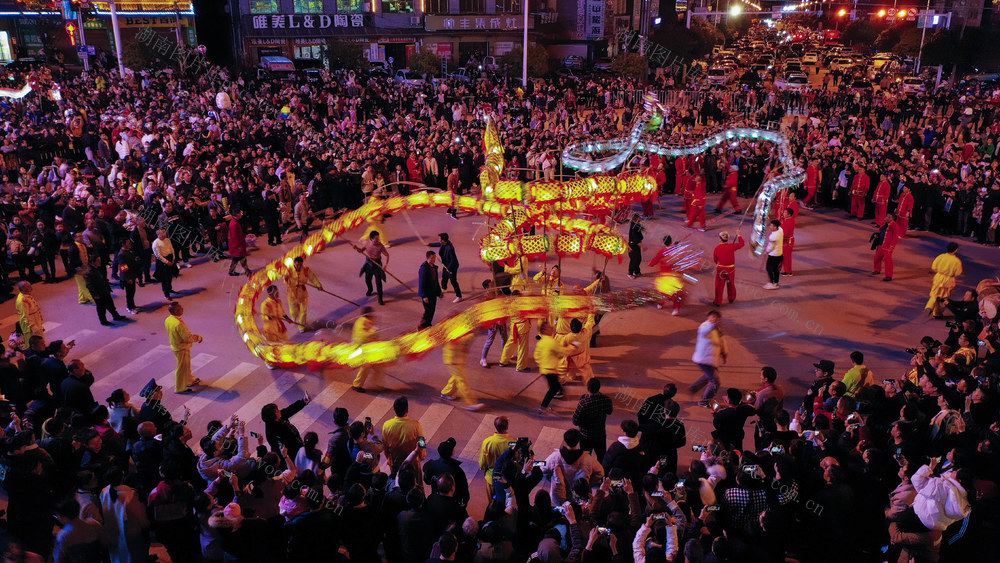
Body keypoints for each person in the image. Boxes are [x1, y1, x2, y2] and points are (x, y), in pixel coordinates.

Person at [535, 320, 578, 414]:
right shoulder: (552, 342)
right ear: (545, 330)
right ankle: (542, 407)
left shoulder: (541, 342)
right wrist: (573, 347)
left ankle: (558, 393)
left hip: (545, 370)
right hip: (551, 370)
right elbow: (563, 352)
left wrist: (542, 364)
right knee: (553, 389)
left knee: (556, 387)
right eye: (549, 327)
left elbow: (537, 356)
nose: (552, 328)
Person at [689, 310, 727, 407]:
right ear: (708, 317)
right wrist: (713, 325)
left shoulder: (718, 330)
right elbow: (705, 331)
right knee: (715, 382)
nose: (714, 319)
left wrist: (724, 353)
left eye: (716, 317)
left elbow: (722, 343)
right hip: (704, 359)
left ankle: (694, 388)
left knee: (709, 376)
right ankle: (703, 401)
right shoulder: (704, 326)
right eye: (712, 316)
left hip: (712, 360)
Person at [572, 378, 613, 462]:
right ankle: (600, 473)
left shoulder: (583, 403)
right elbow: (609, 412)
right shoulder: (606, 400)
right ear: (599, 388)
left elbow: (575, 421)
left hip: (586, 436)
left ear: (588, 388)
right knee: (601, 457)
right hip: (600, 434)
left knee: (585, 458)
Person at [165, 302, 203, 393]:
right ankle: (180, 388)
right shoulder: (178, 324)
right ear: (175, 310)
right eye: (180, 307)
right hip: (181, 347)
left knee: (186, 365)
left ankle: (189, 380)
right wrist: (198, 338)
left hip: (176, 345)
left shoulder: (168, 320)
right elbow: (187, 338)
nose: (182, 308)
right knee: (182, 368)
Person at [382, 396, 423, 477]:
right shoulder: (416, 425)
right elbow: (422, 442)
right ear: (407, 410)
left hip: (396, 462)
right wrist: (422, 455)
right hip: (412, 463)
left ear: (394, 410)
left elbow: (385, 446)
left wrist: (389, 459)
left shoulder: (387, 425)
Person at [440, 332, 483, 410]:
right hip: (453, 359)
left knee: (457, 377)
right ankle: (469, 403)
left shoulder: (465, 329)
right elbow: (456, 343)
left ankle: (446, 393)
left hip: (458, 358)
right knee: (462, 380)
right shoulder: (456, 330)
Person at [84, 255, 128, 326]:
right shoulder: (89, 272)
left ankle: (115, 316)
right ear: (93, 262)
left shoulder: (97, 269)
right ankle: (103, 320)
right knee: (101, 307)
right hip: (99, 292)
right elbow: (89, 285)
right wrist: (95, 294)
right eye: (98, 261)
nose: (100, 262)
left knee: (110, 304)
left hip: (104, 290)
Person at [478, 416, 513, 501]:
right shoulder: (513, 443)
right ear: (507, 426)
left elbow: (482, 464)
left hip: (491, 478)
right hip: (506, 479)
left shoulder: (487, 442)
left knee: (492, 505)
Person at [925, 242, 963, 318]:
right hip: (949, 280)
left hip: (939, 277)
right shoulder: (956, 261)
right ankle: (937, 313)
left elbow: (934, 267)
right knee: (944, 297)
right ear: (955, 250)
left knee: (934, 293)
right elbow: (958, 273)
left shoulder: (941, 257)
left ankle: (929, 306)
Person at [351, 306, 383, 392]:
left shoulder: (360, 321)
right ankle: (357, 385)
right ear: (369, 315)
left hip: (361, 348)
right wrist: (375, 330)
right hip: (362, 350)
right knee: (366, 367)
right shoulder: (367, 323)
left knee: (378, 364)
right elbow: (365, 338)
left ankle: (377, 383)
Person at [284, 256, 321, 331]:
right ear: (294, 263)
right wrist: (286, 279)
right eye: (297, 265)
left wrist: (318, 285)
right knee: (293, 311)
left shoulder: (306, 269)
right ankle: (294, 317)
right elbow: (285, 281)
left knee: (304, 310)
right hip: (292, 292)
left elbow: (313, 277)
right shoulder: (289, 270)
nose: (299, 266)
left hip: (302, 291)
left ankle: (302, 326)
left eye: (300, 265)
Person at [499, 291, 531, 372]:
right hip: (522, 327)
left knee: (510, 344)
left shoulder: (509, 304)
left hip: (513, 326)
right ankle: (521, 366)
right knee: (522, 347)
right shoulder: (521, 305)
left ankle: (503, 361)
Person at [712, 231, 745, 307]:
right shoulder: (732, 246)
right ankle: (731, 298)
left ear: (720, 238)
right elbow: (742, 244)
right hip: (730, 270)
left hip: (721, 270)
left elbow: (715, 260)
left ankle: (718, 302)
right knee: (731, 284)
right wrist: (739, 236)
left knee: (719, 286)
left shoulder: (717, 248)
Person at [358, 230, 389, 305]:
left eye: (378, 238)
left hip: (377, 264)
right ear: (371, 239)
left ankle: (380, 298)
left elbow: (387, 255)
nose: (378, 240)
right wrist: (357, 248)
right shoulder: (367, 243)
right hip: (369, 264)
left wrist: (385, 265)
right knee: (367, 279)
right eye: (376, 239)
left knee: (379, 283)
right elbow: (361, 251)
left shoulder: (380, 246)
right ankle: (370, 289)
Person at [261, 284, 291, 350]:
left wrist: (287, 319)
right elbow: (264, 317)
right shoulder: (265, 304)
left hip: (280, 328)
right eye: (275, 292)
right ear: (270, 294)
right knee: (274, 349)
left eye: (277, 292)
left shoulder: (279, 301)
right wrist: (270, 317)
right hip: (271, 330)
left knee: (286, 344)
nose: (277, 294)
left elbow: (282, 313)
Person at [113, 238, 139, 313]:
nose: (130, 244)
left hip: (132, 274)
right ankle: (130, 307)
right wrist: (128, 278)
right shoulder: (121, 254)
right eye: (128, 243)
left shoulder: (127, 252)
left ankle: (132, 305)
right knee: (129, 293)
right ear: (123, 244)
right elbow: (123, 267)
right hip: (127, 277)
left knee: (132, 291)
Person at [872, 213, 900, 282]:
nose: (887, 218)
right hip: (880, 245)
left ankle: (888, 276)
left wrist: (892, 247)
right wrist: (877, 235)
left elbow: (895, 238)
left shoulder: (895, 226)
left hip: (887, 247)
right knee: (877, 258)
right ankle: (877, 269)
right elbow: (880, 231)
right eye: (887, 216)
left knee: (888, 261)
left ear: (892, 218)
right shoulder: (884, 223)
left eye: (889, 217)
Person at [151, 229, 179, 300]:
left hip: (170, 258)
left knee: (170, 276)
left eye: (165, 234)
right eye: (163, 234)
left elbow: (172, 249)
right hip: (163, 262)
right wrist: (167, 262)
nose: (164, 235)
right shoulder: (156, 243)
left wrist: (173, 258)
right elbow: (158, 255)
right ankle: (166, 294)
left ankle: (169, 289)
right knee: (164, 278)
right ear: (158, 234)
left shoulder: (167, 240)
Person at [435, 233, 462, 304]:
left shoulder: (450, 248)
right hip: (446, 265)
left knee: (453, 281)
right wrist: (429, 244)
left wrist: (448, 268)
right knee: (444, 277)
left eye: (439, 239)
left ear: (443, 240)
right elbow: (437, 244)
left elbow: (453, 260)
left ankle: (459, 296)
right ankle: (444, 288)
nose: (438, 240)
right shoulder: (443, 244)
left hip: (452, 266)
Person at [418, 251, 442, 329]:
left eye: (434, 258)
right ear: (428, 258)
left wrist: (439, 291)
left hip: (433, 292)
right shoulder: (424, 268)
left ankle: (428, 324)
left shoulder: (434, 267)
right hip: (427, 294)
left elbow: (436, 281)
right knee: (428, 310)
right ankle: (422, 325)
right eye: (432, 258)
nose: (434, 259)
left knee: (432, 310)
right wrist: (424, 296)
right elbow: (422, 282)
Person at [227, 209, 250, 277]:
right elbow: (235, 237)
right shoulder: (234, 224)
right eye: (240, 213)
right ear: (237, 214)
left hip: (236, 245)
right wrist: (239, 246)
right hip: (237, 246)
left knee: (236, 259)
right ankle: (247, 271)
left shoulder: (234, 222)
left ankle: (232, 270)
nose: (241, 214)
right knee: (241, 258)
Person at [763, 219, 783, 290]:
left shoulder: (773, 236)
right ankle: (776, 282)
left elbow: (771, 246)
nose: (770, 227)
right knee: (775, 268)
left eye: (771, 225)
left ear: (775, 227)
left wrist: (766, 251)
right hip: (780, 254)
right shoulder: (780, 230)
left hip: (774, 255)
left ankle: (771, 283)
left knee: (769, 268)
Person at [780, 207, 796, 276]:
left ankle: (788, 271)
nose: (783, 213)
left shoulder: (789, 222)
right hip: (785, 240)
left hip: (786, 242)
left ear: (789, 214)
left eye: (785, 212)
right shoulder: (788, 220)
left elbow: (785, 233)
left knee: (786, 257)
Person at [627, 214, 644, 278]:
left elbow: (639, 227)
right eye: (638, 218)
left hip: (636, 245)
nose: (640, 219)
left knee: (638, 259)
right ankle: (630, 273)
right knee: (634, 260)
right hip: (633, 245)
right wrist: (642, 246)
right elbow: (635, 239)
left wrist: (643, 229)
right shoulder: (633, 227)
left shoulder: (636, 224)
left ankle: (637, 271)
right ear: (635, 219)